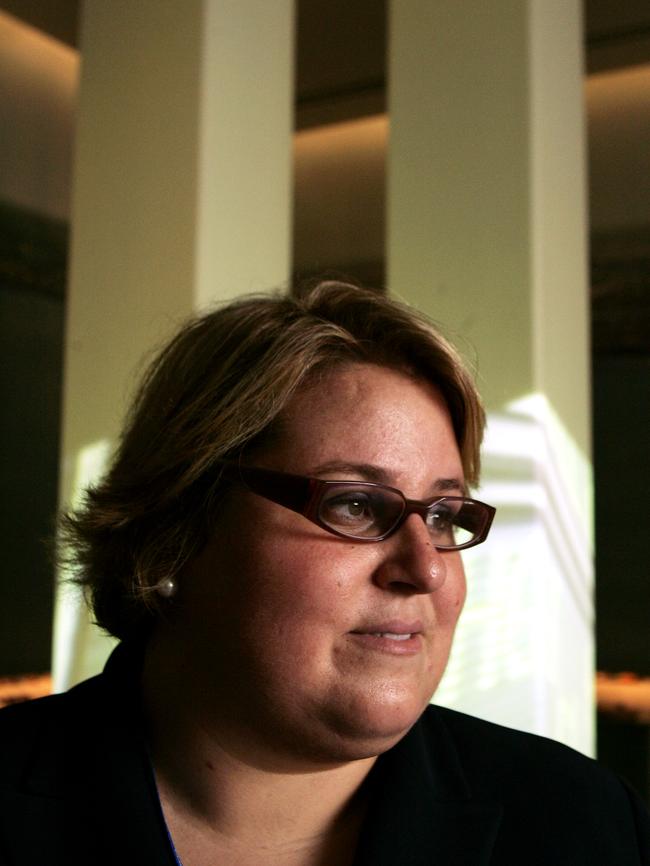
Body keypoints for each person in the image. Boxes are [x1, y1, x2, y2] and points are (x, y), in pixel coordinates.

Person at [0, 281, 648, 866]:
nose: (424, 567)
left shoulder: (585, 827)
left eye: (446, 514)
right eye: (356, 505)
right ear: (175, 529)